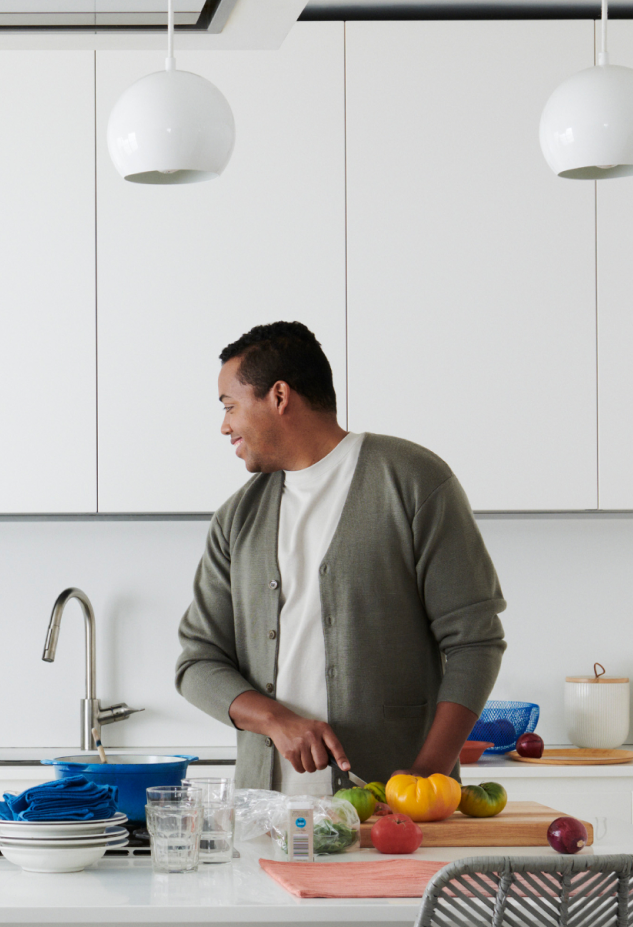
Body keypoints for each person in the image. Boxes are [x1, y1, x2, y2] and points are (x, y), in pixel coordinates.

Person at [175, 321, 506, 794]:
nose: (224, 425)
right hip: (264, 814)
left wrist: (426, 777)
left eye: (230, 406)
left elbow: (475, 641)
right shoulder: (238, 517)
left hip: (395, 817)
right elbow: (197, 661)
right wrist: (276, 720)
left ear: (280, 396)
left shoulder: (412, 481)